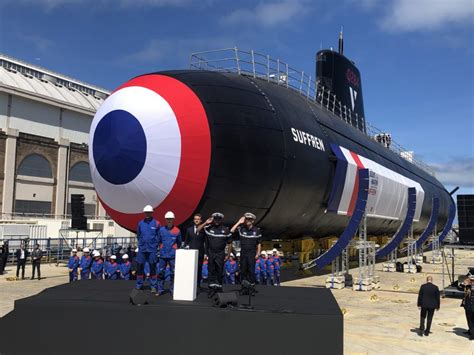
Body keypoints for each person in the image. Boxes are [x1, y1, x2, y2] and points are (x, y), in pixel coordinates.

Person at [198, 212, 232, 295]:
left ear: (221, 220)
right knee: (211, 271)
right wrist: (206, 222)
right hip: (211, 253)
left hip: (220, 253)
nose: (217, 221)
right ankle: (211, 288)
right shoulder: (208, 228)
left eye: (218, 219)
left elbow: (230, 242)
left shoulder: (226, 230)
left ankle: (219, 287)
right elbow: (198, 229)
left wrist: (228, 254)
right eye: (215, 219)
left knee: (219, 271)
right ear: (213, 219)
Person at [230, 213, 262, 289]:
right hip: (243, 253)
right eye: (246, 219)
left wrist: (258, 253)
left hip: (252, 253)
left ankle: (251, 288)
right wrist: (238, 222)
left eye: (249, 219)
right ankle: (244, 288)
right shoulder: (241, 228)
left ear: (253, 221)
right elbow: (231, 230)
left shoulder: (257, 231)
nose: (248, 221)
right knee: (243, 271)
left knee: (251, 271)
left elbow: (259, 243)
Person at [136, 205, 160, 292]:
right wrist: (142, 243)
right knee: (140, 266)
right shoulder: (140, 223)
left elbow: (158, 235)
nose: (147, 214)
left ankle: (153, 286)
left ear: (152, 213)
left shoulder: (156, 223)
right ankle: (139, 284)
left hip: (152, 249)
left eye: (149, 212)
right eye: (146, 212)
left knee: (152, 267)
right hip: (142, 248)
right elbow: (138, 235)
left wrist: (155, 244)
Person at [157, 211, 181, 295]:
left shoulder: (177, 231)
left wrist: (174, 250)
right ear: (165, 220)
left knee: (173, 273)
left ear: (173, 219)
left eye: (170, 219)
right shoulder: (161, 230)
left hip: (172, 256)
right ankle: (160, 290)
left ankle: (172, 290)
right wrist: (162, 248)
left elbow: (179, 243)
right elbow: (159, 241)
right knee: (160, 273)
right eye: (167, 219)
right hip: (163, 255)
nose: (169, 220)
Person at [184, 213, 206, 288]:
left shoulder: (204, 230)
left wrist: (206, 253)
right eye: (195, 219)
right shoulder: (189, 230)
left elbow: (206, 242)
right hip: (190, 253)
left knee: (199, 269)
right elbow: (186, 242)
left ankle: (198, 285)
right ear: (193, 220)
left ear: (201, 220)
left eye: (198, 219)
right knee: (190, 269)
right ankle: (190, 285)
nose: (196, 220)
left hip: (200, 252)